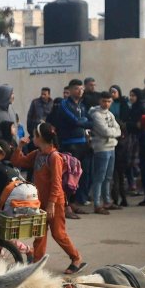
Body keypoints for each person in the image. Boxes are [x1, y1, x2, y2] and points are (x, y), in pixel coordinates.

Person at [10, 122, 86, 273]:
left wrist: (51, 204)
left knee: (58, 233)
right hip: (40, 202)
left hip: (55, 203)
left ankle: (76, 258)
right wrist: (19, 147)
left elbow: (56, 183)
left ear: (41, 138)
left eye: (34, 135)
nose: (32, 137)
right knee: (39, 233)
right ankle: (37, 264)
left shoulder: (54, 157)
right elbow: (18, 162)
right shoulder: (38, 154)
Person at [49, 79, 90, 218]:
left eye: (82, 89)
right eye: (77, 88)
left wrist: (83, 122)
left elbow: (90, 122)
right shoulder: (64, 104)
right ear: (71, 90)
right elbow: (76, 121)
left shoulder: (82, 105)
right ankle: (66, 207)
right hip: (69, 144)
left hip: (83, 143)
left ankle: (74, 203)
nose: (80, 91)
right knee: (68, 177)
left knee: (79, 176)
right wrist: (83, 122)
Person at [86, 93, 120, 214]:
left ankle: (107, 201)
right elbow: (105, 131)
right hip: (101, 148)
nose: (106, 104)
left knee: (108, 177)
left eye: (109, 101)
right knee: (99, 177)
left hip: (112, 147)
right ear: (100, 101)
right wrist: (114, 132)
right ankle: (97, 204)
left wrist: (113, 132)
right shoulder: (96, 115)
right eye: (104, 101)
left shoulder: (110, 114)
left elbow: (118, 129)